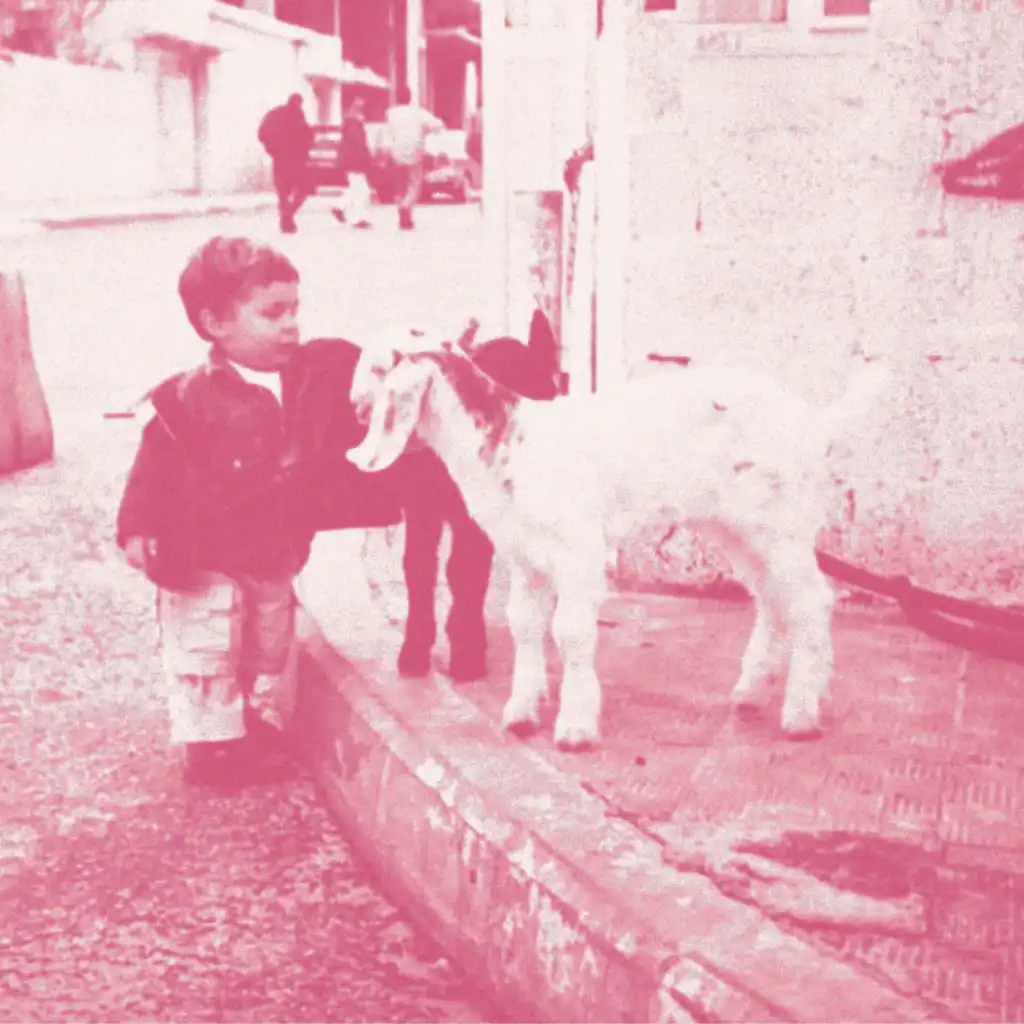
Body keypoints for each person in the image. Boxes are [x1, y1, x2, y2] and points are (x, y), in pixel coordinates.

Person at [116, 236, 492, 786]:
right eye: (272, 314)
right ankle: (211, 748)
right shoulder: (186, 397)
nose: (290, 325)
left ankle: (244, 720)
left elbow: (348, 439)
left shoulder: (311, 381)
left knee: (263, 644)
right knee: (209, 648)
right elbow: (154, 464)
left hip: (271, 552)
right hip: (202, 559)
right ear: (216, 323)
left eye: (294, 310)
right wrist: (137, 527)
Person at [385, 85, 444, 231]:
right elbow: (438, 125)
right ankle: (406, 206)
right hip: (414, 151)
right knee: (414, 183)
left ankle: (402, 210)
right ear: (410, 98)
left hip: (396, 152)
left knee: (400, 184)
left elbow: (388, 133)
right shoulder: (418, 113)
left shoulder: (391, 114)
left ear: (396, 98)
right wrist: (427, 132)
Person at [258, 93, 314, 234]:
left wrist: (272, 149)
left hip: (279, 159)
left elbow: (261, 133)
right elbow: (305, 135)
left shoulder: (276, 114)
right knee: (303, 189)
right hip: (296, 161)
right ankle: (287, 217)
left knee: (283, 193)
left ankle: (287, 219)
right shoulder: (297, 115)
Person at [331, 97, 374, 229]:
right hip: (355, 162)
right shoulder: (355, 124)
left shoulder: (349, 123)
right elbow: (359, 145)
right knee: (362, 190)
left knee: (356, 188)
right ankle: (358, 218)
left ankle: (339, 206)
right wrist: (366, 159)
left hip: (350, 162)